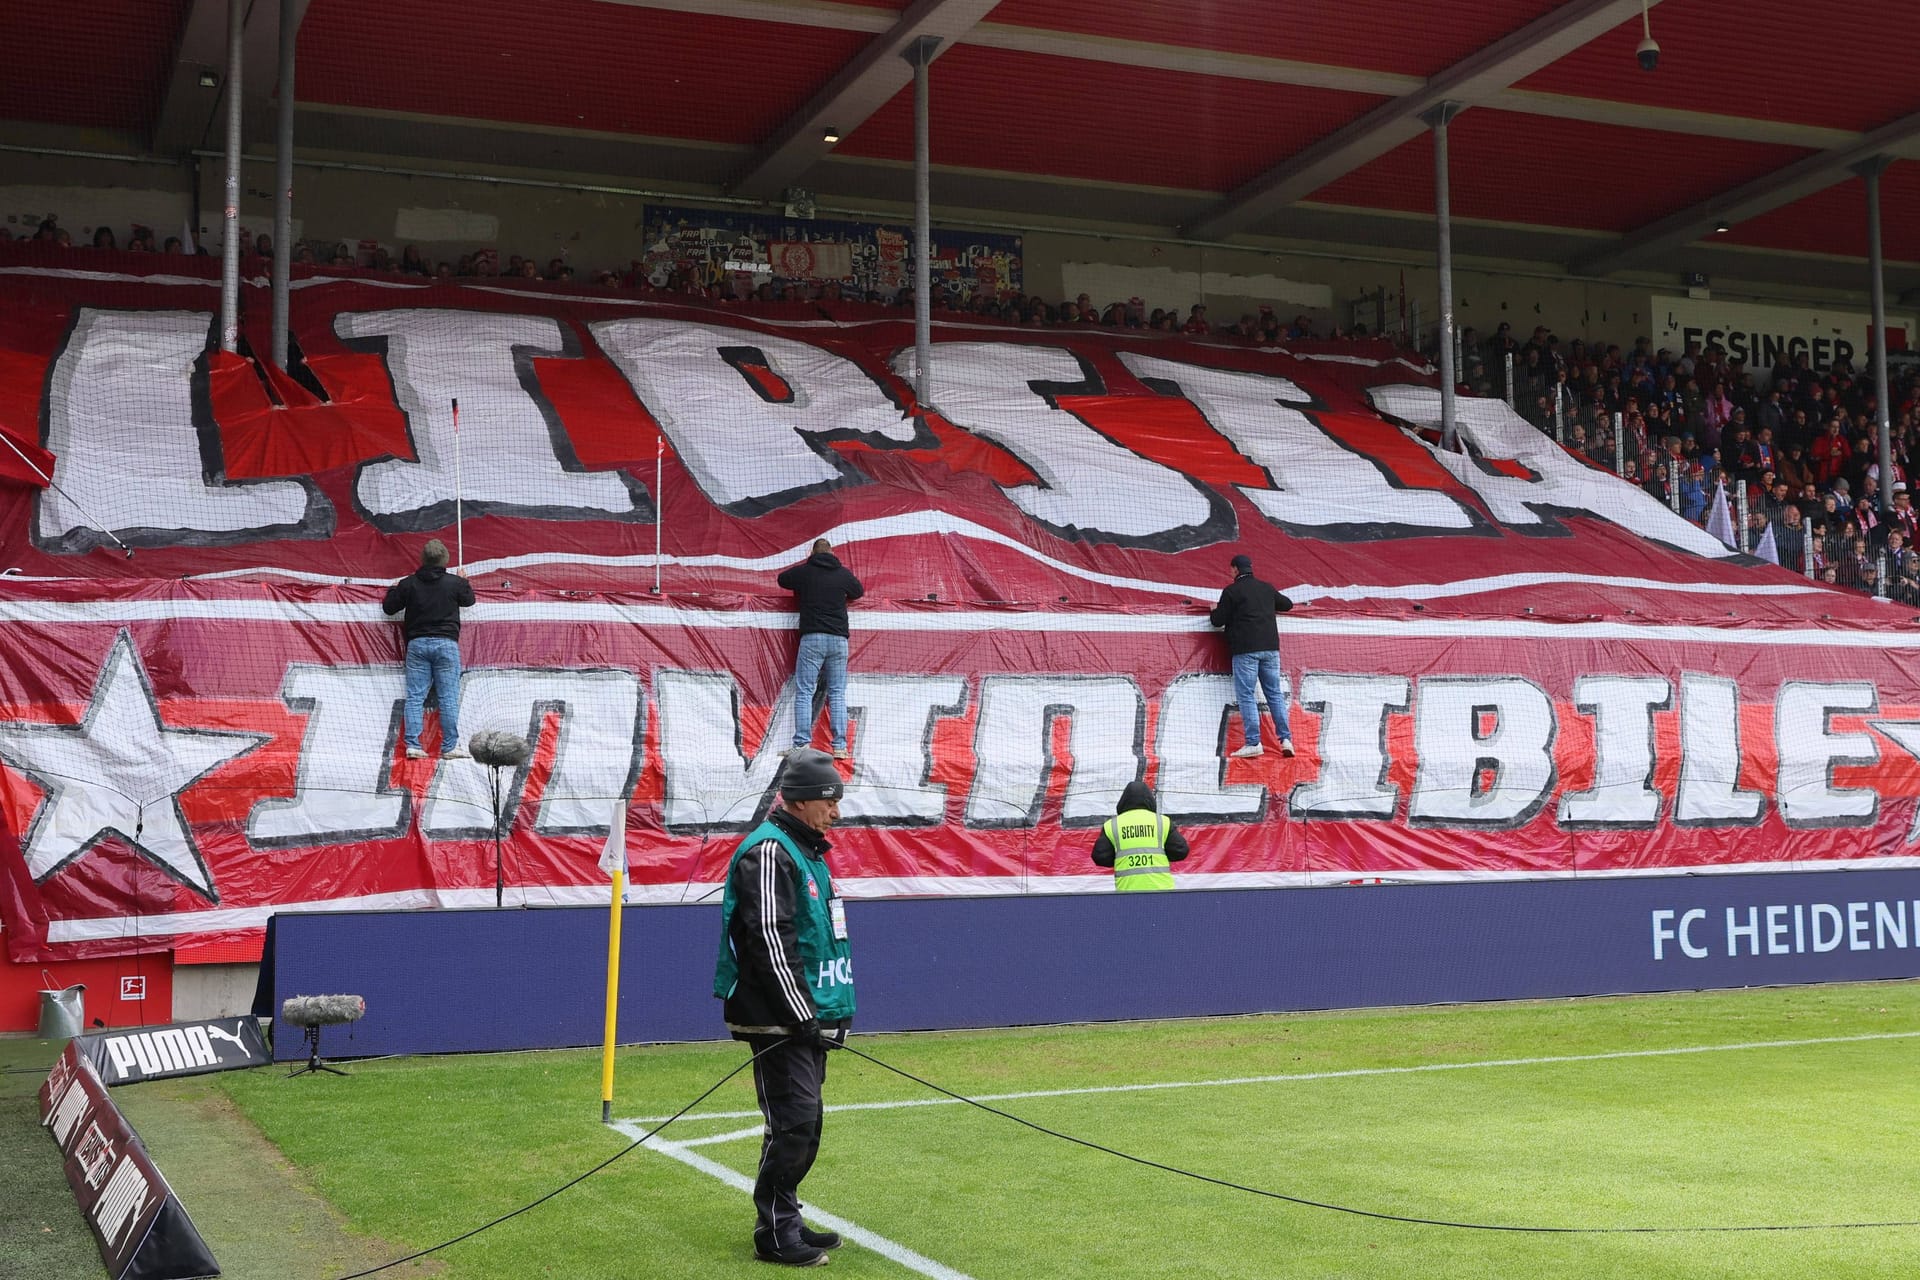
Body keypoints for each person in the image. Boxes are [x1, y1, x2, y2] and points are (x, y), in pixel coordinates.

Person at [712, 749, 853, 1268]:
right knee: (794, 1123)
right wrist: (802, 1015)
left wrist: (829, 1013)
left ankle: (785, 1219)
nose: (836, 812)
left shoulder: (805, 850)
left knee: (803, 1123)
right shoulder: (770, 852)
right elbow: (770, 938)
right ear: (800, 801)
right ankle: (773, 1232)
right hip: (780, 1019)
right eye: (829, 801)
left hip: (801, 1017)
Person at [382, 539, 474, 760]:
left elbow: (389, 608)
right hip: (446, 645)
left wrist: (392, 590)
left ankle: (413, 745)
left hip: (417, 645)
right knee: (448, 697)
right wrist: (465, 582)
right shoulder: (454, 583)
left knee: (415, 697)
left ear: (422, 559)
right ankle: (449, 747)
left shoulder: (408, 584)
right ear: (445, 560)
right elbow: (469, 601)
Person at [778, 539, 864, 760]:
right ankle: (840, 746)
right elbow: (858, 591)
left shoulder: (806, 572)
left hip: (813, 638)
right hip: (838, 641)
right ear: (832, 552)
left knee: (805, 691)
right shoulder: (842, 574)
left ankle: (801, 744)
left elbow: (783, 579)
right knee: (836, 693)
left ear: (813, 553)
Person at [1209, 552, 1295, 759]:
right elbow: (1287, 604)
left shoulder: (1232, 591)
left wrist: (1214, 610)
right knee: (1274, 694)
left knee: (1247, 695)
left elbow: (1217, 621)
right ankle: (1286, 740)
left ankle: (1253, 742)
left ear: (1235, 569)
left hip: (1245, 651)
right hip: (1271, 649)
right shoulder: (1266, 588)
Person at [1091, 779, 1189, 891]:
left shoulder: (1112, 825)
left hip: (1127, 891)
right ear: (1149, 800)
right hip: (1162, 890)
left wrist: (1121, 858)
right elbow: (1181, 851)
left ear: (1123, 801)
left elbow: (1100, 857)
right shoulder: (1162, 821)